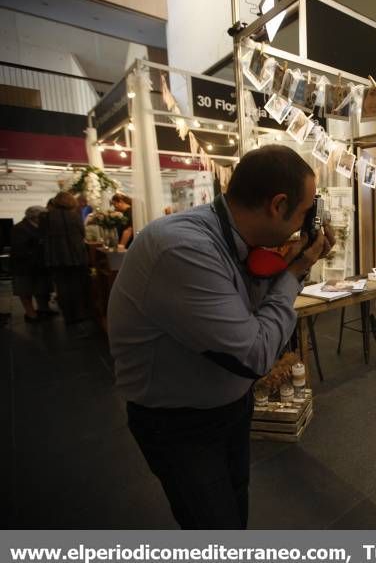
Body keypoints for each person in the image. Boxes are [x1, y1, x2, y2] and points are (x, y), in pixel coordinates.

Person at [107, 145, 334, 529]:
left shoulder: (233, 238)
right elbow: (256, 352)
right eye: (304, 212)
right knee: (213, 526)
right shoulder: (183, 248)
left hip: (229, 405)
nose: (304, 225)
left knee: (234, 507)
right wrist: (295, 272)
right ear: (277, 205)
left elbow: (249, 312)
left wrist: (284, 266)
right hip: (180, 424)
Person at [41, 192, 90, 326]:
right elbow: (82, 233)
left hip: (55, 255)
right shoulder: (74, 214)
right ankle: (80, 314)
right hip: (75, 254)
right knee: (78, 285)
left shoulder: (45, 216)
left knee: (62, 286)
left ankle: (68, 316)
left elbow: (42, 235)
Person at [11, 206, 56, 323]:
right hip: (24, 266)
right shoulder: (19, 228)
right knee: (25, 290)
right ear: (35, 217)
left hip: (38, 264)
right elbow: (19, 249)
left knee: (41, 288)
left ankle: (44, 309)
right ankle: (30, 314)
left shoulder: (40, 226)